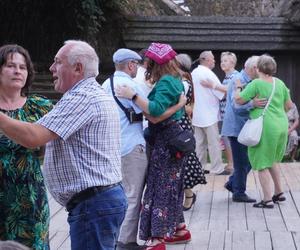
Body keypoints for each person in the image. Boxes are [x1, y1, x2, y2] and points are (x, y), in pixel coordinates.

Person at [0, 40, 127, 250]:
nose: (51, 68)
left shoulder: (82, 97)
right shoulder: (85, 95)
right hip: (95, 203)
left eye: (57, 62)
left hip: (92, 203)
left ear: (77, 68)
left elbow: (33, 136)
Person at [115, 42, 191, 250]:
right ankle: (179, 229)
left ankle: (156, 239)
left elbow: (156, 113)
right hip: (173, 138)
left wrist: (134, 96)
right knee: (171, 184)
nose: (145, 65)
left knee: (159, 186)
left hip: (165, 141)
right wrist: (178, 105)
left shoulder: (166, 82)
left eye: (148, 62)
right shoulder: (175, 79)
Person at [0, 44, 53, 249]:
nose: (17, 71)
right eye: (11, 66)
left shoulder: (39, 107)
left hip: (30, 197)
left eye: (22, 67)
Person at [102, 48, 147, 250]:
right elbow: (149, 109)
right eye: (136, 65)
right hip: (132, 146)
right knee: (133, 195)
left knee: (118, 193)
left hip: (113, 146)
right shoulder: (131, 85)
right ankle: (125, 241)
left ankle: (115, 237)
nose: (137, 68)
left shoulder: (106, 84)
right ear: (131, 65)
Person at [235, 54, 293, 208]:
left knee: (261, 163)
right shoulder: (279, 83)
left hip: (265, 127)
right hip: (281, 125)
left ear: (258, 68)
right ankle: (279, 192)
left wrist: (238, 87)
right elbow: (288, 106)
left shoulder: (256, 83)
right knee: (272, 159)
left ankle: (267, 199)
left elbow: (239, 100)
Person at [221, 56, 266, 203]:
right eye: (260, 68)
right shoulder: (238, 80)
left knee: (248, 161)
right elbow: (237, 106)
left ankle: (233, 183)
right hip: (236, 127)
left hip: (243, 127)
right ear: (254, 68)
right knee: (242, 162)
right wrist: (253, 104)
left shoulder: (249, 81)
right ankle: (239, 193)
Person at [175, 53, 207, 211]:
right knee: (180, 160)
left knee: (182, 160)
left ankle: (188, 194)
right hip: (181, 123)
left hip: (180, 124)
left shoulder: (183, 82)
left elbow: (185, 105)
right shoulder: (184, 81)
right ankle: (186, 194)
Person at [191, 51, 229, 175]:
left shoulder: (193, 73)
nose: (214, 61)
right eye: (213, 59)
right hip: (209, 113)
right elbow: (221, 95)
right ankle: (217, 168)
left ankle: (199, 169)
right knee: (213, 143)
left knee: (199, 144)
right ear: (206, 60)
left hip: (196, 113)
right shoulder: (208, 74)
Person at [219, 51, 239, 173]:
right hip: (224, 114)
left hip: (231, 115)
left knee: (229, 138)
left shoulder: (235, 76)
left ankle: (232, 165)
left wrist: (212, 86)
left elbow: (229, 89)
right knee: (225, 138)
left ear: (232, 63)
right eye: (221, 61)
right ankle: (231, 163)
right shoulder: (226, 77)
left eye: (225, 61)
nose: (222, 63)